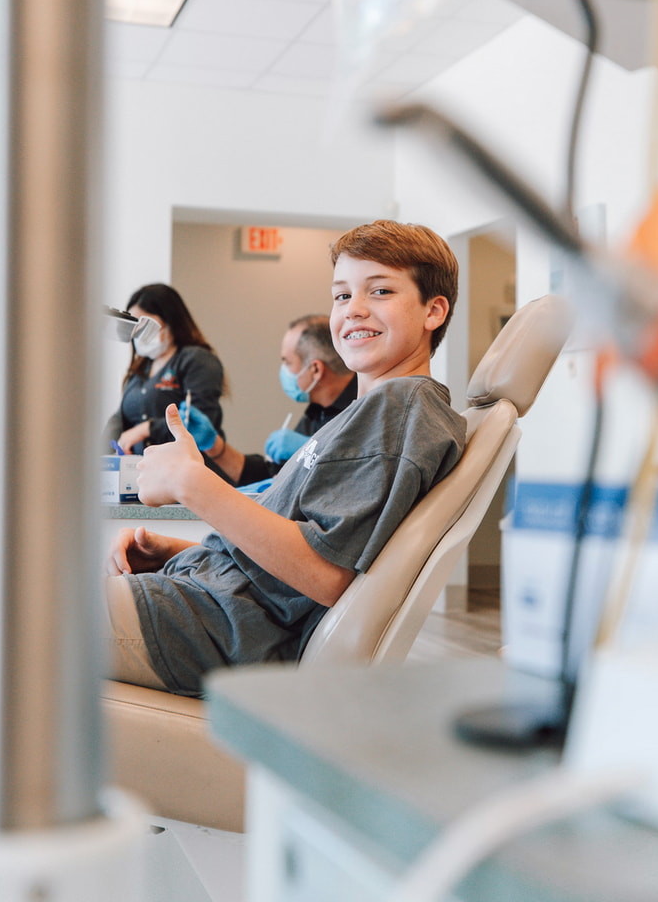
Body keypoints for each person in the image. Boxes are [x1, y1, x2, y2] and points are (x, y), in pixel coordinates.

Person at [105, 220, 466, 697]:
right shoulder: (366, 414)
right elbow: (289, 559)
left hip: (218, 630)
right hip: (205, 603)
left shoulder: (399, 409)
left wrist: (193, 484)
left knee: (3, 612)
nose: (354, 309)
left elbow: (326, 576)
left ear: (433, 311)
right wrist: (179, 550)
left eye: (379, 291)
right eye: (341, 296)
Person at [206, 314, 357, 487]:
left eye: (287, 362)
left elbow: (359, 478)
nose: (283, 370)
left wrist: (312, 450)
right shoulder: (317, 411)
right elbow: (274, 475)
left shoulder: (363, 408)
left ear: (315, 369)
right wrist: (214, 446)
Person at [102, 284, 228, 471]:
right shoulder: (141, 368)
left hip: (188, 472)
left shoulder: (196, 360)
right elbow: (122, 418)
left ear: (170, 321)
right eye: (135, 326)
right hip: (144, 474)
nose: (139, 333)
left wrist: (146, 429)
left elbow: (196, 419)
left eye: (145, 324)